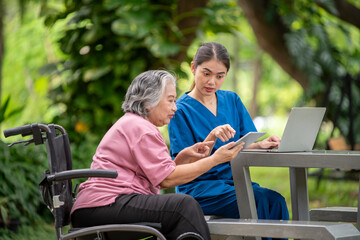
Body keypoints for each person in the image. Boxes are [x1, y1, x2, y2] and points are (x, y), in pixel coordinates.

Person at [70, 70, 245, 240]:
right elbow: (166, 180)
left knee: (177, 208)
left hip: (97, 207)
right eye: (170, 100)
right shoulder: (142, 129)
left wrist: (183, 157)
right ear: (148, 101)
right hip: (103, 205)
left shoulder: (134, 123)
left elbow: (160, 175)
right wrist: (215, 159)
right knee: (183, 206)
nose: (174, 107)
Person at [168, 42, 289, 239]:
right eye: (206, 73)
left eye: (219, 76)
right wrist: (212, 142)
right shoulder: (180, 110)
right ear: (193, 68)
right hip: (200, 188)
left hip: (233, 183)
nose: (212, 82)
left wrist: (261, 145)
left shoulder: (232, 100)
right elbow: (182, 164)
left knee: (275, 201)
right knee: (260, 200)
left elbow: (243, 144)